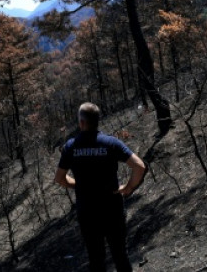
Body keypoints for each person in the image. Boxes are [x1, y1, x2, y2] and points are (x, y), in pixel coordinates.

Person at [55, 102, 146, 272]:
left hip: (87, 211)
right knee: (120, 255)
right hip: (112, 208)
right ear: (97, 121)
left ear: (82, 122)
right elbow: (139, 166)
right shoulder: (111, 143)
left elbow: (60, 178)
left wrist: (78, 184)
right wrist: (128, 187)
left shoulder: (71, 147)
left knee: (96, 258)